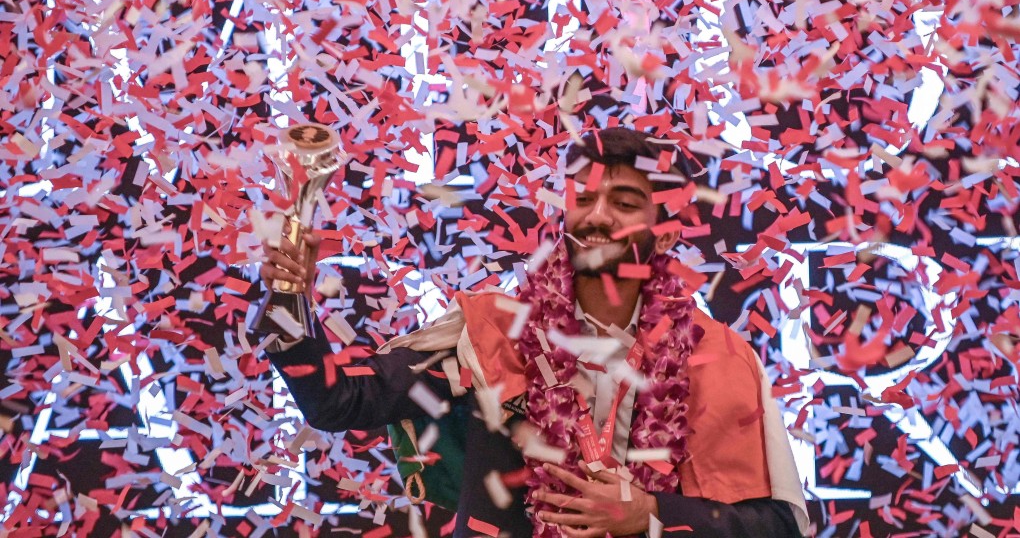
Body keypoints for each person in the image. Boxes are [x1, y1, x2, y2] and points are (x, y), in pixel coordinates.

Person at [261, 128, 809, 537]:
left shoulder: (720, 357)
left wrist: (650, 515)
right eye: (585, 200)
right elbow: (338, 403)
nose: (597, 216)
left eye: (623, 204)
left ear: (663, 237)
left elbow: (778, 524)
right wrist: (292, 298)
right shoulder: (491, 332)